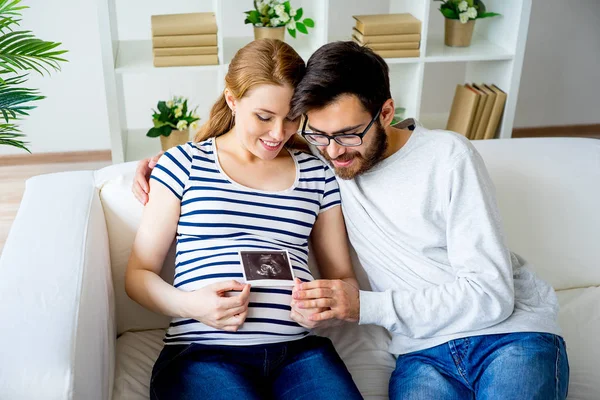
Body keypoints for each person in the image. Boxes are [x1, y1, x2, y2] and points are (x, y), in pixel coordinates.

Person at [133, 41, 570, 399]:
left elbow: (348, 281)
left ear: (384, 112)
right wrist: (158, 166)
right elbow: (142, 269)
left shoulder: (371, 166)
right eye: (318, 134)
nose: (335, 149)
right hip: (213, 348)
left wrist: (339, 306)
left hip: (493, 337)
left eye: (292, 121)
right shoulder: (201, 164)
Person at [125, 39, 363, 400]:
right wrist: (191, 306)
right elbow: (137, 275)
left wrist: (323, 307)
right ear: (233, 100)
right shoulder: (182, 164)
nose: (278, 134)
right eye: (264, 117)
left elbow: (342, 278)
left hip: (300, 354)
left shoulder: (318, 175)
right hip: (203, 354)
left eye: (292, 118)